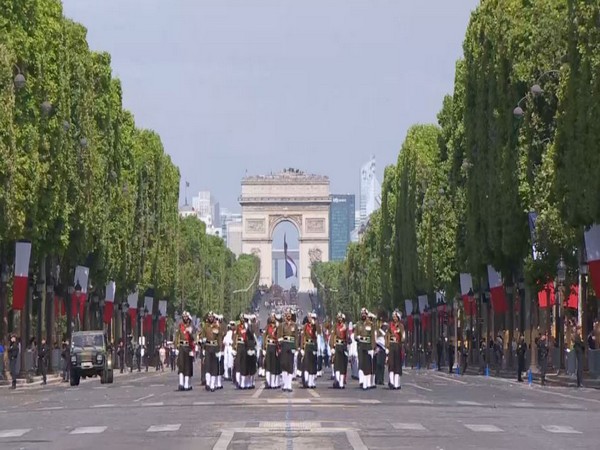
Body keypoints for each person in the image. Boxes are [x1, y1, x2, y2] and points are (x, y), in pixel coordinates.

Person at [200, 311, 222, 392]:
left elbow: (219, 338)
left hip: (215, 347)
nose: (210, 318)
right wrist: (203, 347)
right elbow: (203, 336)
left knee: (214, 367)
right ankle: (208, 384)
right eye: (209, 317)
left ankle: (213, 384)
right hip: (208, 347)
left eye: (211, 317)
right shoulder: (205, 326)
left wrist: (219, 349)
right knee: (207, 366)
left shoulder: (217, 326)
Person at [277, 308, 299, 392]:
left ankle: (289, 385)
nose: (288, 315)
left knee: (290, 365)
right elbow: (279, 336)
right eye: (287, 313)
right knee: (284, 364)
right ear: (285, 315)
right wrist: (280, 344)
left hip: (291, 345)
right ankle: (285, 384)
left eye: (290, 313)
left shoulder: (295, 325)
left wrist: (296, 348)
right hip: (284, 345)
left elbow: (296, 337)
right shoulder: (282, 325)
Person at [355, 308, 376, 390]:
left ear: (367, 315)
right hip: (361, 345)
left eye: (365, 314)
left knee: (367, 365)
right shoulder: (358, 324)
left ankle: (367, 383)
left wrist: (373, 348)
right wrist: (357, 337)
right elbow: (355, 335)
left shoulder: (370, 325)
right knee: (361, 363)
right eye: (362, 314)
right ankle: (362, 381)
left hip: (368, 346)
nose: (363, 315)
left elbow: (373, 337)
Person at [174, 311, 195, 391]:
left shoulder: (191, 326)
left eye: (186, 317)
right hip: (182, 347)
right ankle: (181, 383)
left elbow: (193, 339)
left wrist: (190, 333)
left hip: (188, 347)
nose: (185, 318)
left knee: (188, 366)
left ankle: (186, 384)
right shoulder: (180, 326)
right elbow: (177, 337)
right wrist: (175, 348)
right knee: (181, 365)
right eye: (184, 317)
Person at [330, 312, 349, 389]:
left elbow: (347, 338)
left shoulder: (345, 326)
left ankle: (341, 382)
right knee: (337, 364)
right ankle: (337, 380)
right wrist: (332, 347)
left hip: (343, 346)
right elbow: (332, 336)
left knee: (343, 365)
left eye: (341, 318)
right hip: (337, 346)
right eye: (339, 318)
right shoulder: (335, 326)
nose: (340, 319)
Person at [385, 310, 404, 390]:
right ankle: (391, 382)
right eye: (393, 317)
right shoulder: (390, 326)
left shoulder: (401, 326)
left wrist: (400, 333)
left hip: (398, 346)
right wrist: (387, 347)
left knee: (397, 365)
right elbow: (386, 337)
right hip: (391, 346)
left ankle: (397, 384)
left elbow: (403, 338)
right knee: (391, 364)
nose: (394, 318)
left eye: (396, 317)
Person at [301, 312, 320, 389]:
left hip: (313, 346)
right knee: (307, 364)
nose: (310, 319)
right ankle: (307, 381)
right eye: (309, 318)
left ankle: (312, 382)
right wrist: (302, 347)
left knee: (313, 365)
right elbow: (303, 336)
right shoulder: (305, 326)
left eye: (312, 318)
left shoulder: (315, 326)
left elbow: (319, 332)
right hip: (307, 345)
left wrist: (315, 324)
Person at [263, 313, 280, 389]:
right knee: (268, 364)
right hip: (268, 346)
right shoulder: (267, 327)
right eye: (271, 317)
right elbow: (264, 337)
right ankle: (268, 382)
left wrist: (278, 348)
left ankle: (273, 383)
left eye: (273, 317)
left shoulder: (277, 327)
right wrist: (264, 348)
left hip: (274, 347)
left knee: (273, 365)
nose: (272, 319)